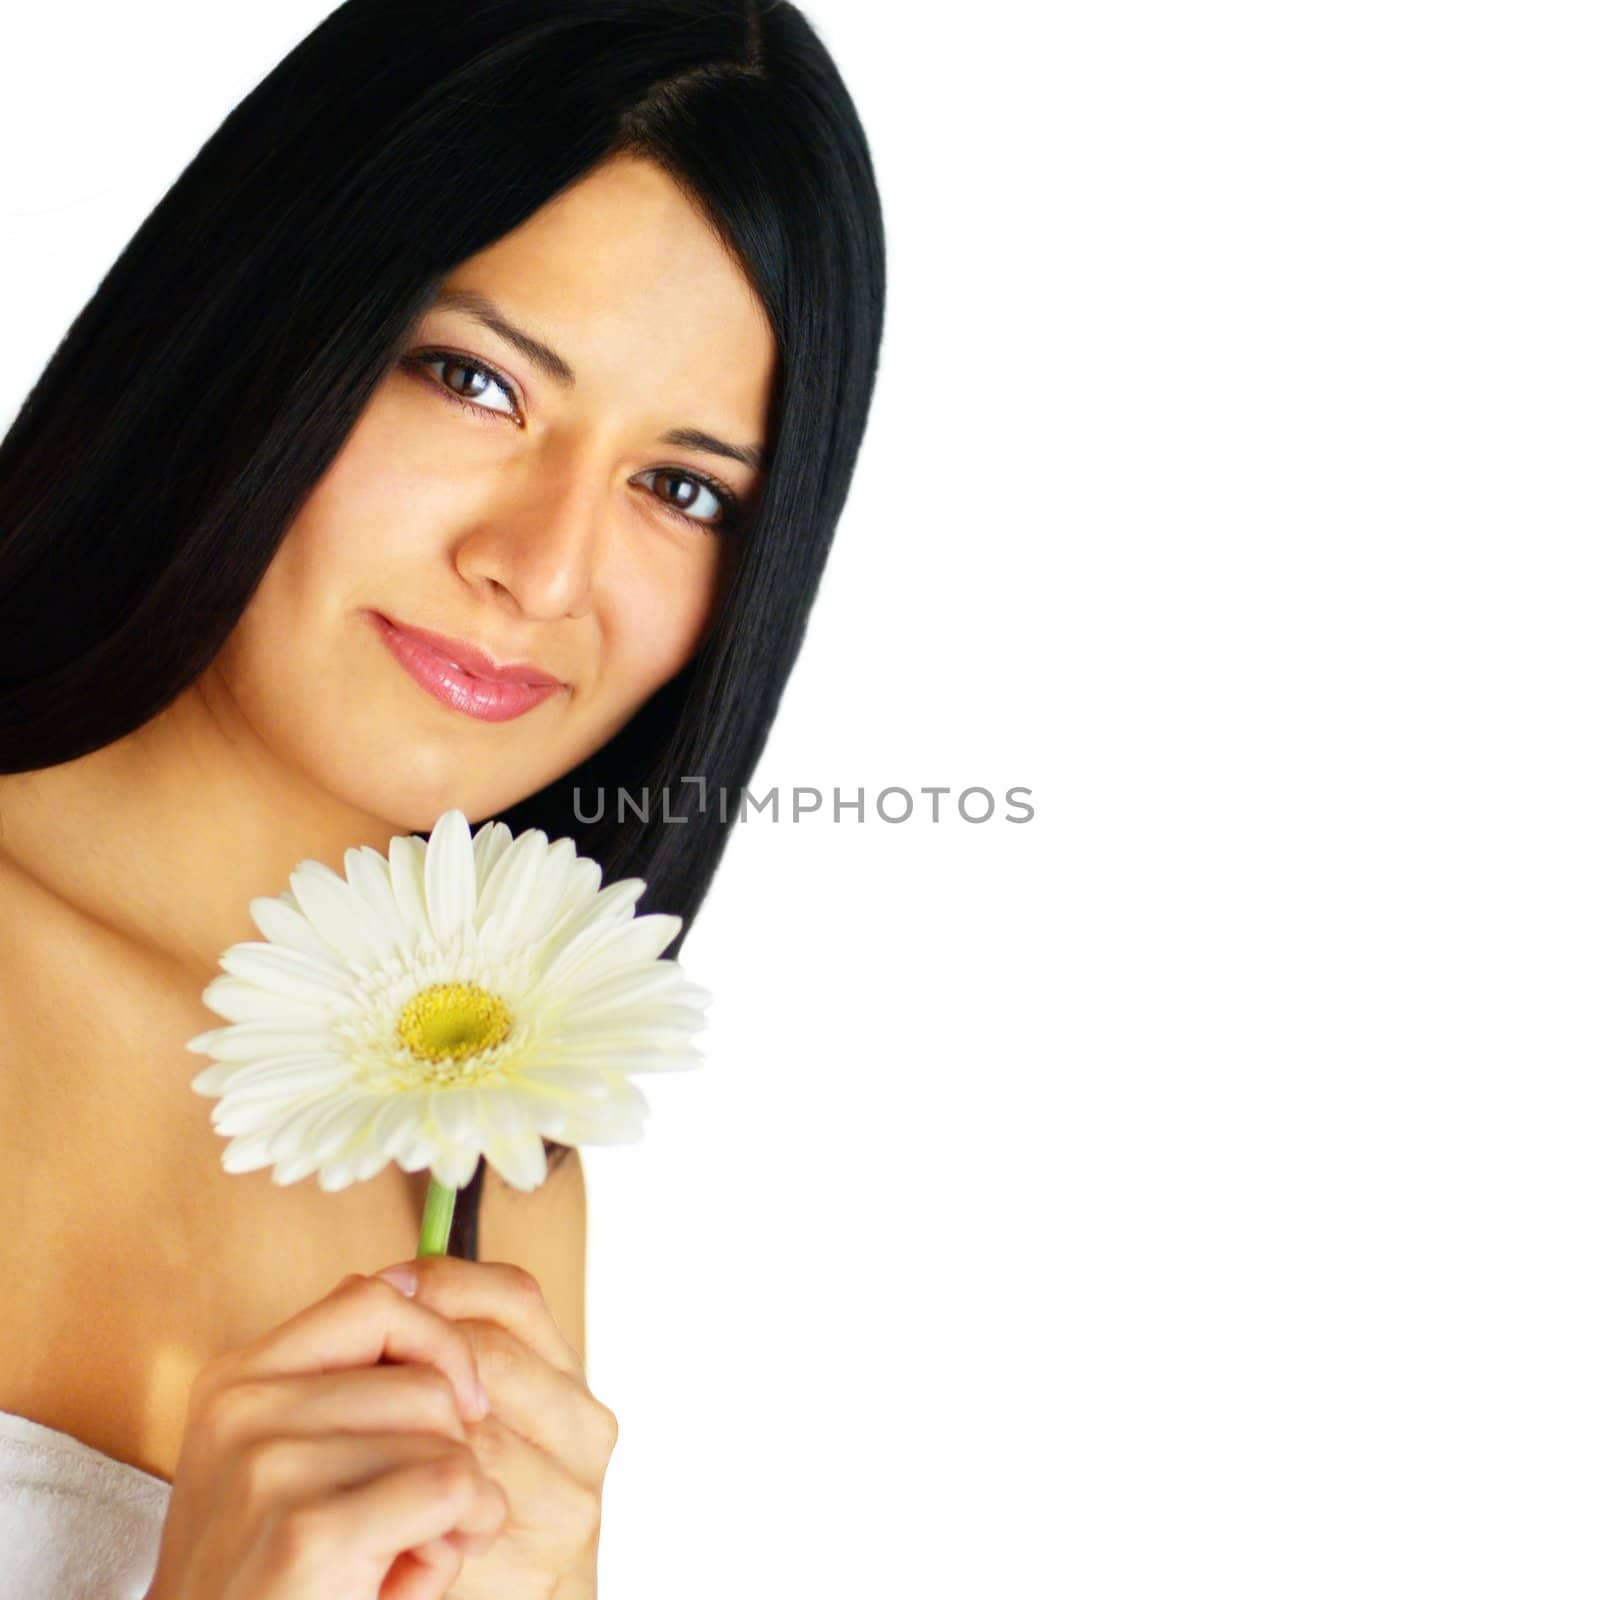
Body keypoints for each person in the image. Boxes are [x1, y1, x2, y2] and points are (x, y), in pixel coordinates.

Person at [0, 0, 885, 1594]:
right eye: (475, 383)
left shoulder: (492, 1175)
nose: (541, 569)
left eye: (682, 488)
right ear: (261, 322)